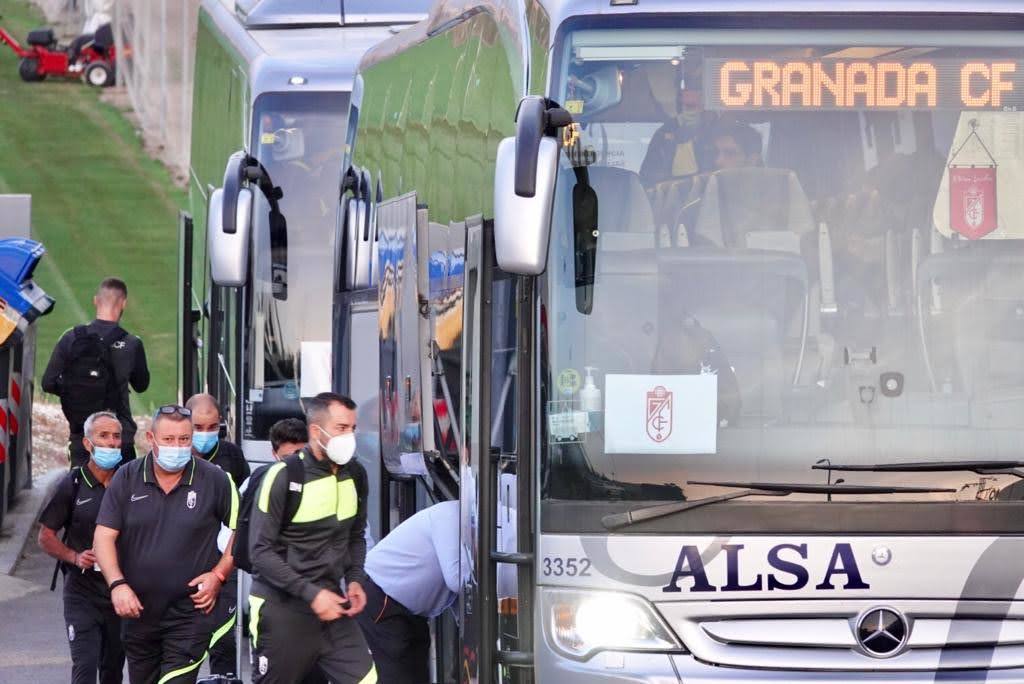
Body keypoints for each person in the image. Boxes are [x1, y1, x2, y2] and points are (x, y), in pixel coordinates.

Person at [93, 405, 238, 684]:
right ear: (151, 438)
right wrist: (117, 585)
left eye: (184, 439)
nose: (178, 447)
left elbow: (240, 530)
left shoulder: (215, 479)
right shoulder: (127, 477)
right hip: (138, 614)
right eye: (169, 440)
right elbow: (103, 536)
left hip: (190, 614)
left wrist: (219, 574)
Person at [248, 392, 375, 684]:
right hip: (282, 610)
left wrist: (355, 578)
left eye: (353, 428)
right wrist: (311, 594)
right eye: (342, 428)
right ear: (316, 432)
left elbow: (356, 535)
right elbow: (260, 552)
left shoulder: (355, 475)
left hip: (334, 608)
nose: (350, 436)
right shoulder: (283, 477)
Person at [38, 411, 126, 684]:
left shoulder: (129, 483)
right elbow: (46, 536)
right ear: (88, 444)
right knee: (85, 667)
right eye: (103, 436)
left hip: (119, 593)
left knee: (112, 671)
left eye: (116, 437)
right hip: (82, 593)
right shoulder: (72, 484)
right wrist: (74, 557)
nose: (111, 443)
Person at [42, 277, 149, 468]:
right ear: (123, 302)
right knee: (121, 495)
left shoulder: (71, 338)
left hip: (83, 437)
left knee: (81, 493)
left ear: (95, 300)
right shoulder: (132, 344)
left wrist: (76, 391)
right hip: (119, 440)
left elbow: (48, 382)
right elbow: (141, 385)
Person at [356, 501, 460, 683]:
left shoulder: (460, 519)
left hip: (411, 612)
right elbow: (457, 580)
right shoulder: (451, 515)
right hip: (384, 599)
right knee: (397, 675)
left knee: (416, 675)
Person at [183, 394, 249, 679]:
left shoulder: (231, 455)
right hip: (182, 560)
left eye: (213, 427)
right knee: (184, 641)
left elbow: (245, 502)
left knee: (223, 639)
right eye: (199, 427)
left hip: (224, 559)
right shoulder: (173, 456)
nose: (206, 434)